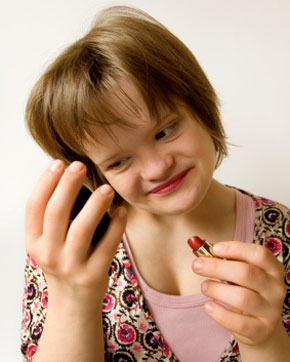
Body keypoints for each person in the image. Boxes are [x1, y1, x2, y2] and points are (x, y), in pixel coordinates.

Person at [21, 5, 290, 362]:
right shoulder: (68, 250)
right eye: (118, 161)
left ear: (200, 104)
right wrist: (74, 297)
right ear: (93, 173)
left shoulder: (282, 233)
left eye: (165, 131)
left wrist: (264, 340)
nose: (157, 168)